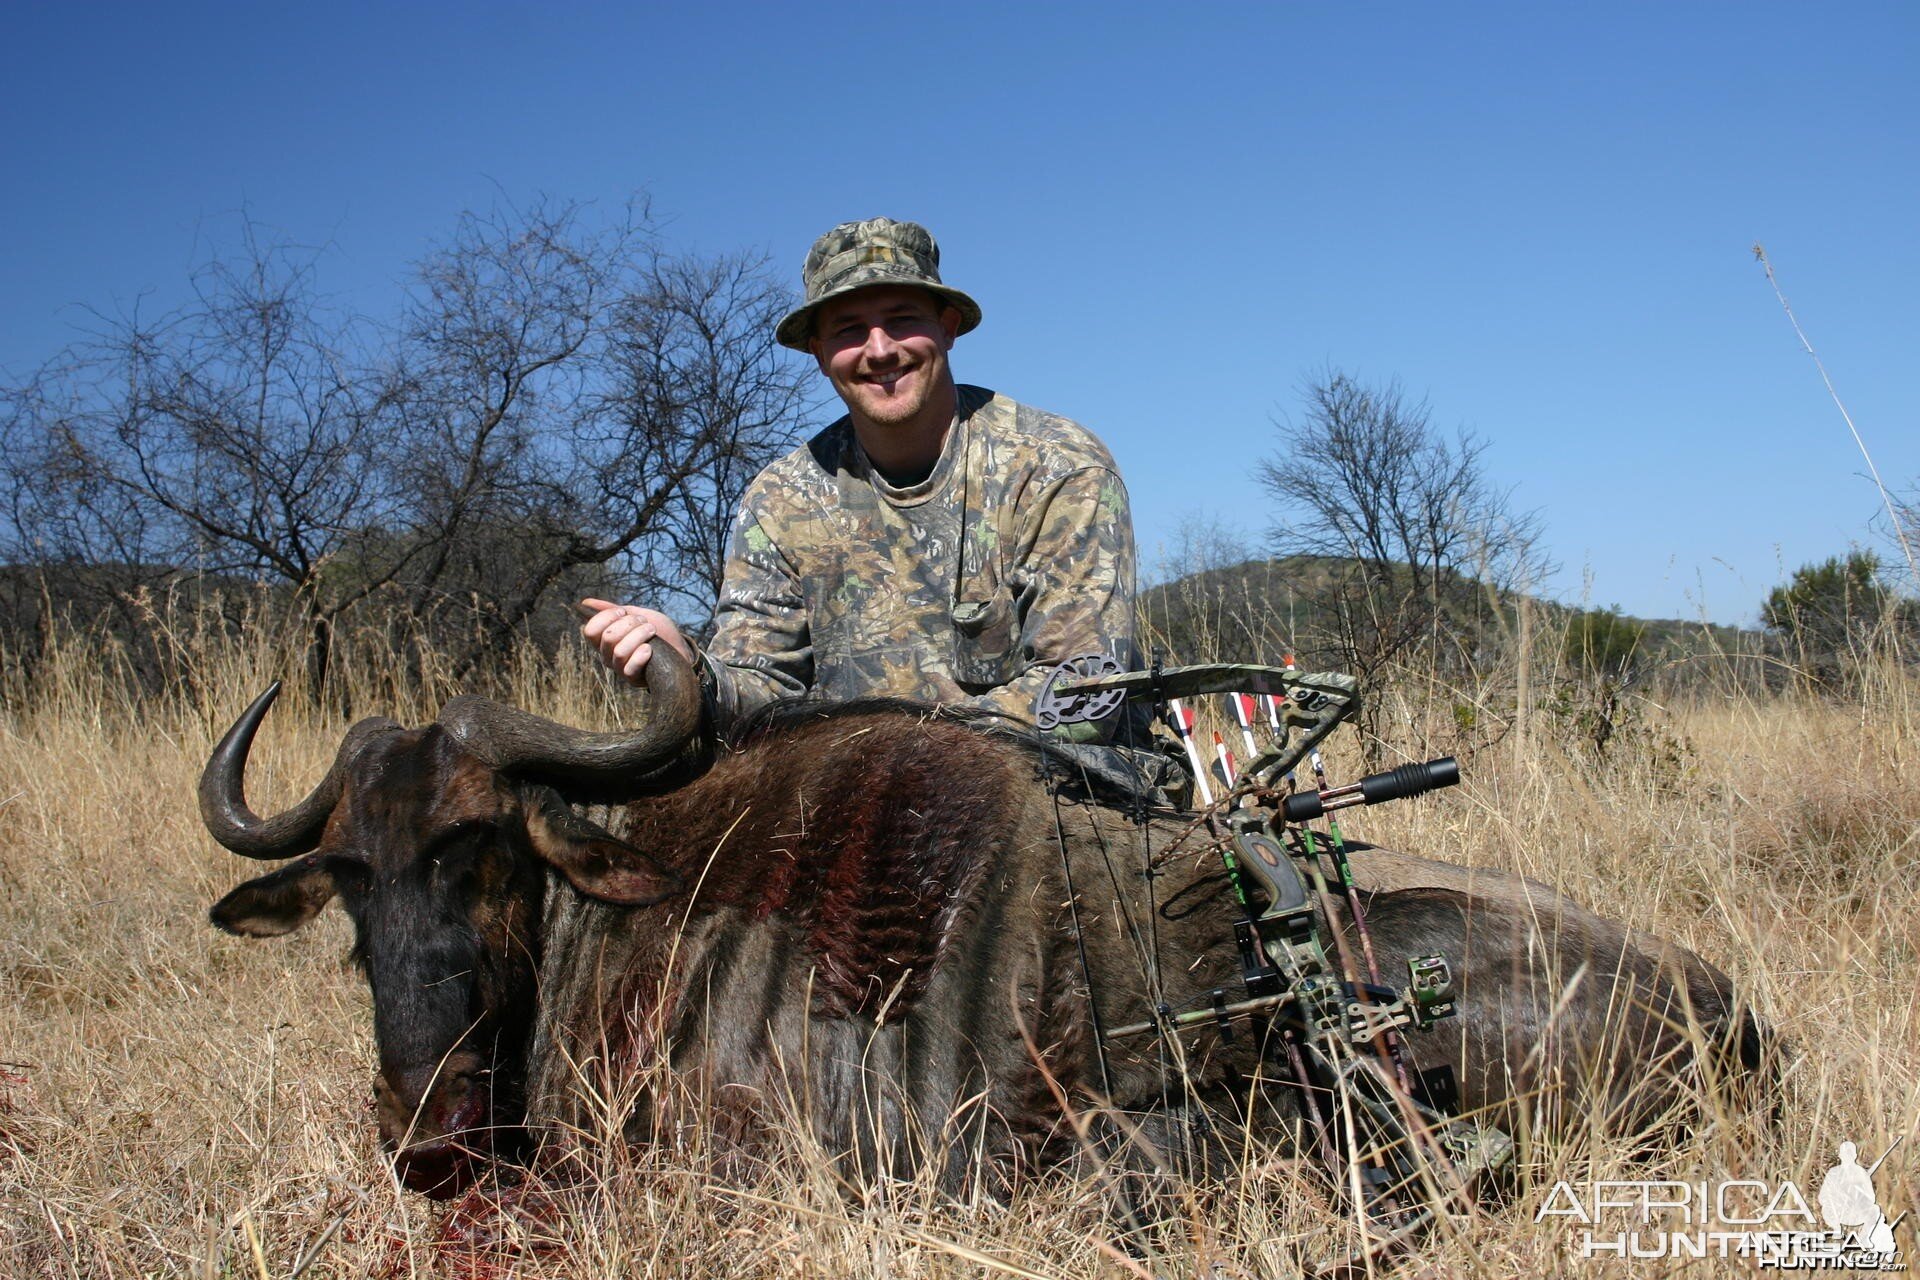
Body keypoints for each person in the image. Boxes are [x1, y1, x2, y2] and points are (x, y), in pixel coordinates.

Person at [580, 216, 1137, 743]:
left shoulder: (1055, 465)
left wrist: (892, 764)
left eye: (902, 319)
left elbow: (1083, 693)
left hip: (1042, 794)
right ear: (820, 354)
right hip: (856, 799)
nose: (879, 349)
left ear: (947, 329)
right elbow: (764, 692)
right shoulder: (781, 500)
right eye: (849, 330)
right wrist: (691, 669)